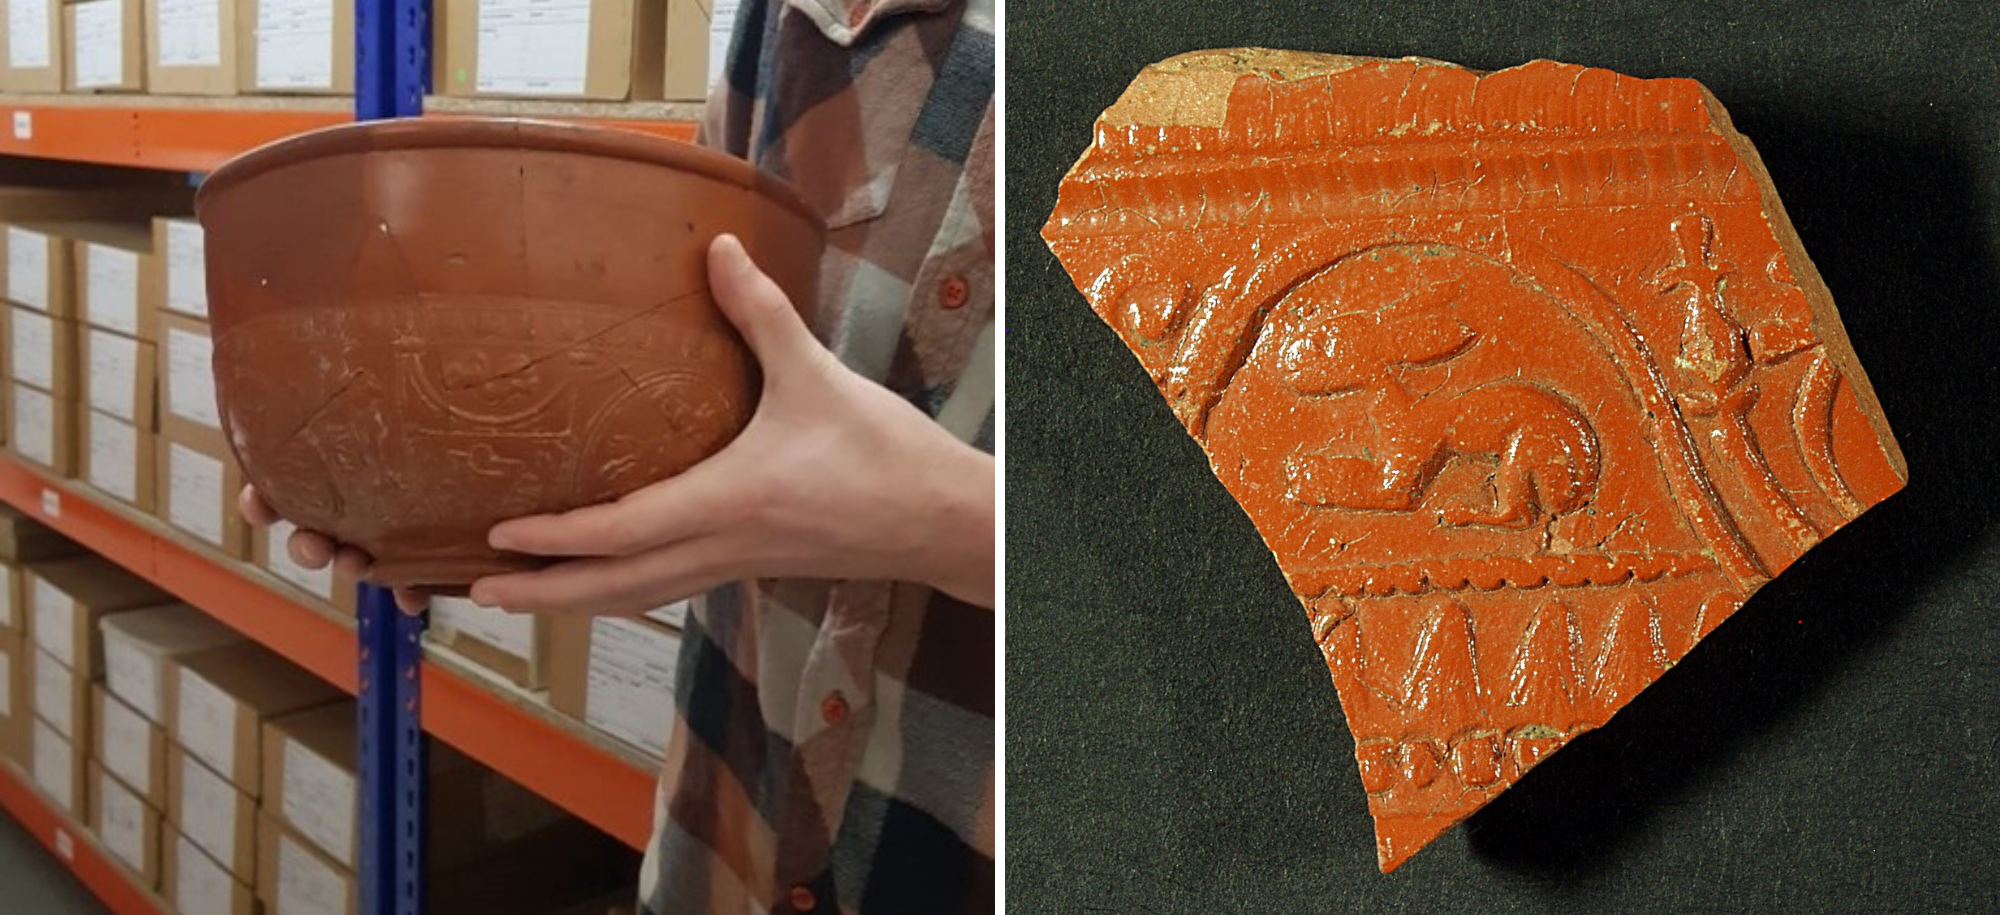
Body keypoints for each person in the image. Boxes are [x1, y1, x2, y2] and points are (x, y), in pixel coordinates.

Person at [239, 1, 995, 911]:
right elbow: (691, 350)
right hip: (728, 831)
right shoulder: (808, 13)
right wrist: (359, 435)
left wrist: (949, 525)